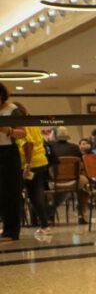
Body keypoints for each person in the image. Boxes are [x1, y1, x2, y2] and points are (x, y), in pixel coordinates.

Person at [12, 105, 52, 237]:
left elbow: (27, 144)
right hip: (40, 162)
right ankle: (44, 225)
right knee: (36, 194)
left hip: (29, 164)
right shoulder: (32, 124)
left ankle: (18, 224)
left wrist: (27, 165)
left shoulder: (21, 125)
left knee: (26, 194)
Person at [0, 85, 27, 242]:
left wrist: (7, 130)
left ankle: (11, 231)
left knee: (8, 192)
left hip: (8, 153)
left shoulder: (12, 110)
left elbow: (23, 132)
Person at [50, 127, 90, 225]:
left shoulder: (49, 147)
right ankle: (81, 213)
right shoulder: (75, 147)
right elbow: (81, 165)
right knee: (84, 183)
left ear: (55, 136)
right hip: (74, 182)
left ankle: (48, 214)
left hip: (53, 182)